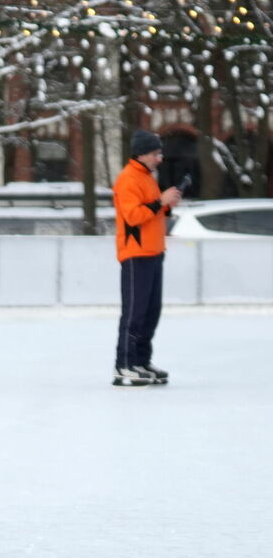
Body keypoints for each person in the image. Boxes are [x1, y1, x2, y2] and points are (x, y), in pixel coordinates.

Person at [112, 129, 181, 386]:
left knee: (151, 312)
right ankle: (125, 364)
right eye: (155, 153)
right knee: (135, 312)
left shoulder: (146, 177)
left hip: (154, 252)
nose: (159, 158)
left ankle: (140, 360)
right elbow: (133, 216)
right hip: (136, 254)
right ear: (141, 153)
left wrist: (167, 205)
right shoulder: (128, 179)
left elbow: (151, 212)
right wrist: (160, 202)